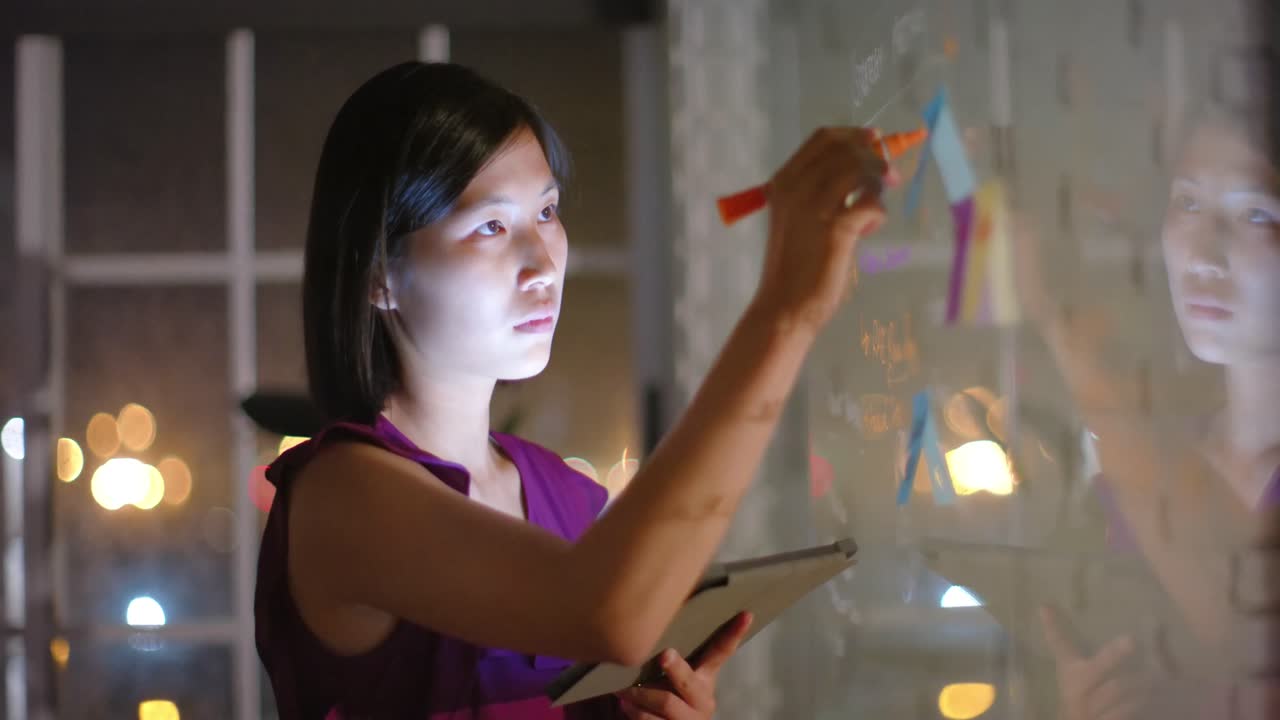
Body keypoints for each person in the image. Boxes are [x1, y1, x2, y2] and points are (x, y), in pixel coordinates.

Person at [253, 61, 896, 719]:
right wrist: (785, 310)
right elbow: (610, 614)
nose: (543, 264)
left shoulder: (568, 496)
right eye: (491, 226)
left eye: (547, 211)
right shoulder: (344, 495)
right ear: (378, 276)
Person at [1020, 102, 1280, 719]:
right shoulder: (1143, 468)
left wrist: (1062, 329)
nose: (1204, 255)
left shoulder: (1144, 468)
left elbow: (1241, 633)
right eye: (1187, 205)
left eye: (1254, 214)